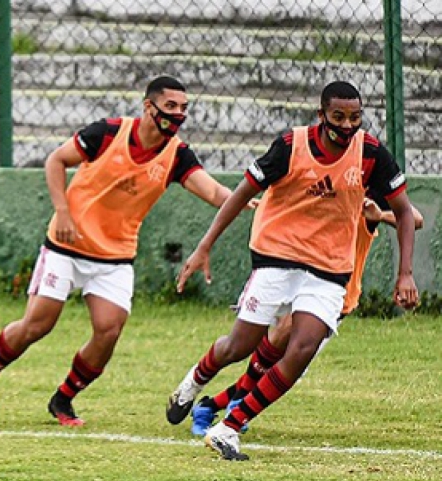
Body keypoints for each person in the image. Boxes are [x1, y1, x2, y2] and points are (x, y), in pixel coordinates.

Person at [0, 75, 247, 426]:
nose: (178, 114)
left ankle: (63, 400)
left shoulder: (177, 155)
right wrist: (63, 211)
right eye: (170, 106)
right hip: (66, 245)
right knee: (38, 324)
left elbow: (214, 192)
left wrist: (250, 199)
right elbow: (56, 160)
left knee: (109, 329)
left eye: (184, 108)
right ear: (149, 106)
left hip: (114, 256)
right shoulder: (108, 133)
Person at [167, 81, 418, 461]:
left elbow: (405, 212)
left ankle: (228, 427)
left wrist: (405, 273)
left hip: (330, 268)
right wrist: (204, 246)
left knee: (302, 347)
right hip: (277, 256)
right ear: (322, 116)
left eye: (355, 116)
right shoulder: (290, 146)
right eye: (338, 116)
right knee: (240, 346)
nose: (347, 125)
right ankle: (192, 384)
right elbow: (241, 193)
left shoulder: (370, 153)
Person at [189, 196, 424, 436]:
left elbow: (415, 218)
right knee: (276, 349)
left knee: (288, 368)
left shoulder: (371, 191)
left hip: (339, 297)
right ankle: (231, 412)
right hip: (308, 286)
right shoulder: (325, 184)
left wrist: (378, 215)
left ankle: (212, 406)